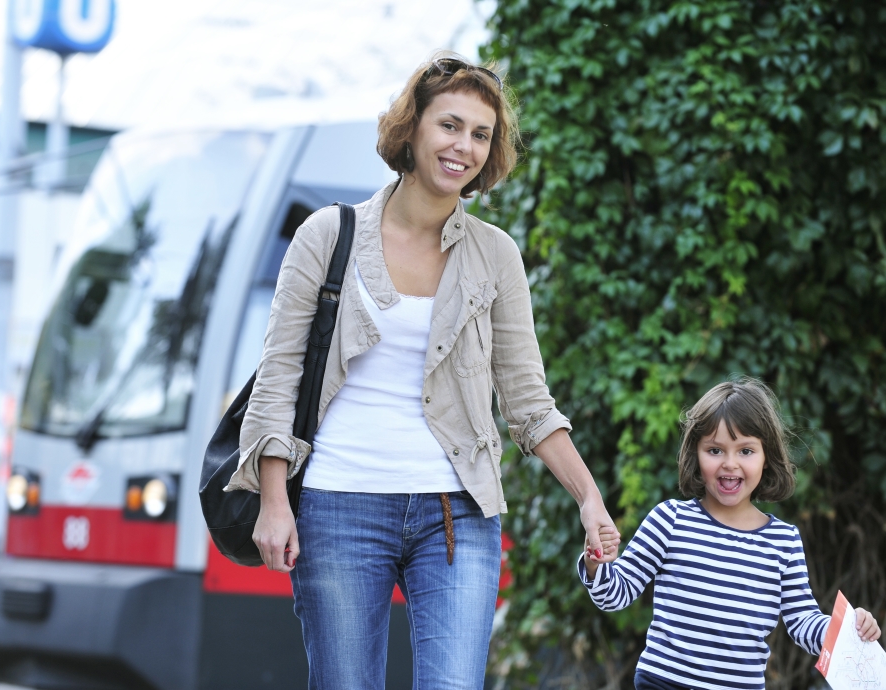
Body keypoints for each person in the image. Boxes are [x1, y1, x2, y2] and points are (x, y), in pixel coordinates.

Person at [227, 51, 620, 689]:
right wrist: (275, 500)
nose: (464, 146)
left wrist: (589, 498)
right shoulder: (328, 235)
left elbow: (528, 401)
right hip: (339, 505)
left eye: (481, 135)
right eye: (450, 125)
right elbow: (278, 378)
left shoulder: (496, 255)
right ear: (411, 129)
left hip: (456, 512)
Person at [578, 379, 882, 690]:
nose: (730, 464)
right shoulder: (670, 520)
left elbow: (803, 621)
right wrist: (596, 563)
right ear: (696, 453)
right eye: (715, 450)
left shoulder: (783, 541)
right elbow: (614, 595)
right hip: (663, 682)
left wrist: (844, 631)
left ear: (767, 457)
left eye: (746, 450)